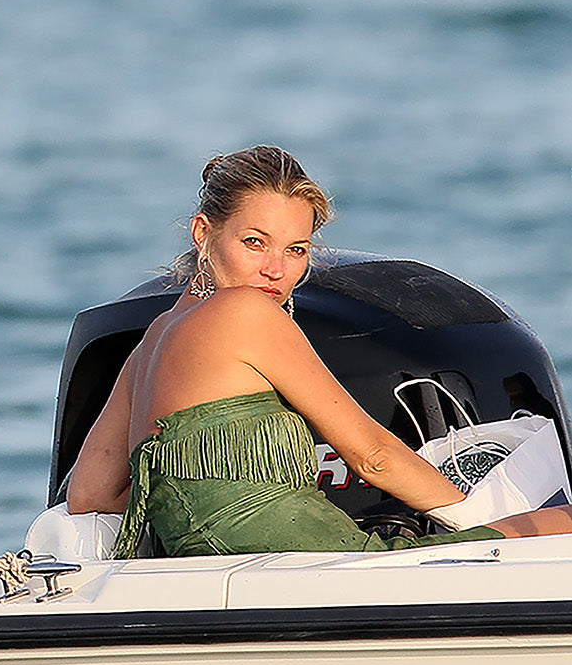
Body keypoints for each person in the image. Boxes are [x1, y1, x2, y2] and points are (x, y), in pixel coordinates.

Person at [64, 145, 572, 558]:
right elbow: (372, 457)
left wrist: (199, 499)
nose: (276, 270)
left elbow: (90, 496)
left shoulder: (153, 336)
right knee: (560, 523)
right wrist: (477, 519)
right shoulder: (247, 312)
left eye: (296, 250)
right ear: (204, 233)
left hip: (211, 563)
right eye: (255, 242)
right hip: (297, 554)